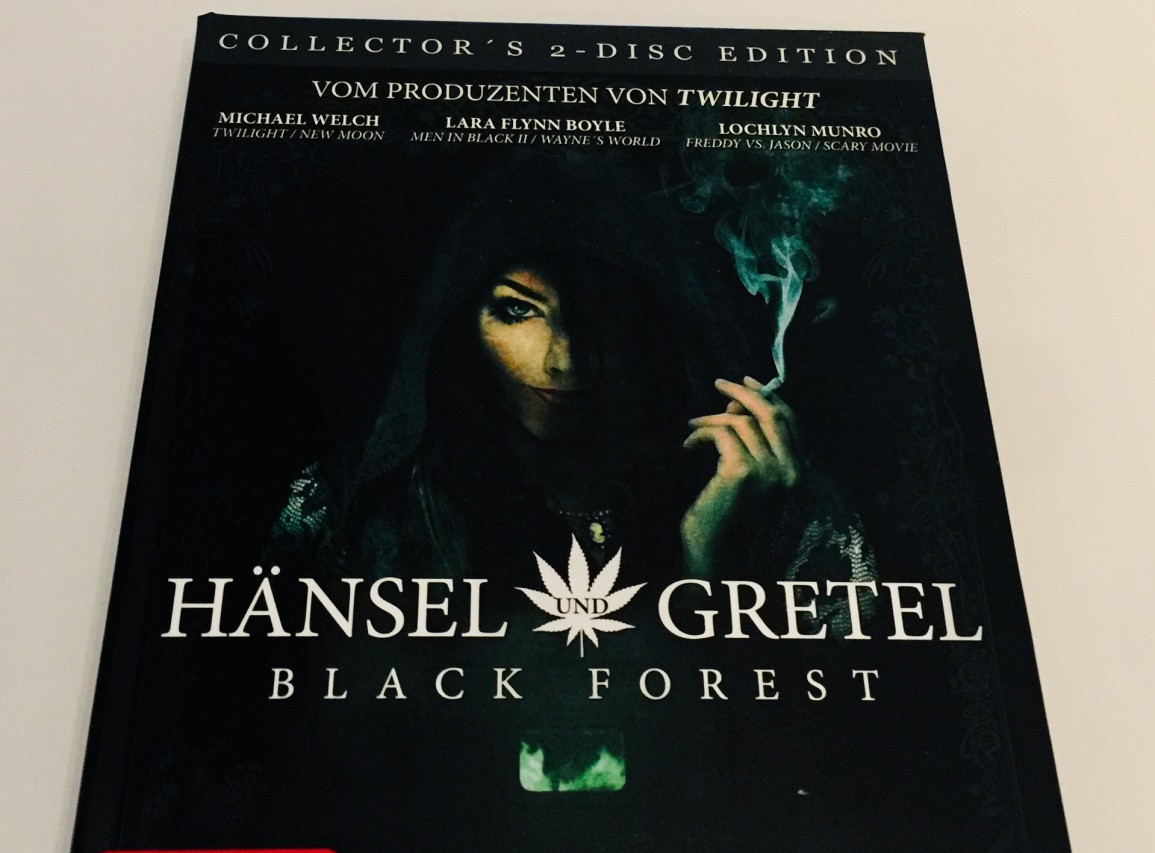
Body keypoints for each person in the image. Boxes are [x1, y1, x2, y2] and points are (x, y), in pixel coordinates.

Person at [272, 158, 872, 607]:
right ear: (460, 324)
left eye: (599, 313)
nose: (564, 360)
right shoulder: (351, 507)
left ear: (652, 321)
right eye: (518, 311)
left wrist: (712, 553)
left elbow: (829, 719)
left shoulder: (778, 504)